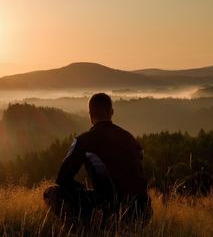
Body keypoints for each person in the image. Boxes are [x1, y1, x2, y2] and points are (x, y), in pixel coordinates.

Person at [43, 93, 152, 226]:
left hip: (111, 212)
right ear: (111, 112)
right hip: (143, 211)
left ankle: (82, 229)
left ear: (90, 115)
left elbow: (62, 179)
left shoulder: (83, 141)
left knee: (51, 193)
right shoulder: (130, 138)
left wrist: (81, 189)